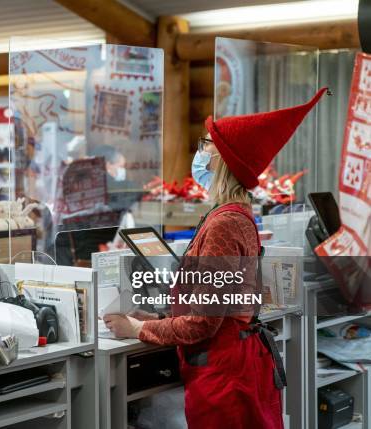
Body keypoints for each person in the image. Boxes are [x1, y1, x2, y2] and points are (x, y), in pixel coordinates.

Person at [104, 88, 328, 429]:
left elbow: (203, 322)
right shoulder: (231, 214)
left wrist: (138, 327)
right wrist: (160, 315)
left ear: (221, 159)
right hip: (232, 368)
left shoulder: (224, 224)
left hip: (225, 380)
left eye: (206, 144)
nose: (200, 150)